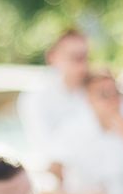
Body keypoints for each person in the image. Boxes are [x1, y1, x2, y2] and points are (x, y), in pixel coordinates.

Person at [17, 29, 92, 173]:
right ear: (53, 57)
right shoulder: (36, 96)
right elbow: (45, 149)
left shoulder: (93, 90)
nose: (82, 64)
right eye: (74, 57)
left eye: (84, 57)